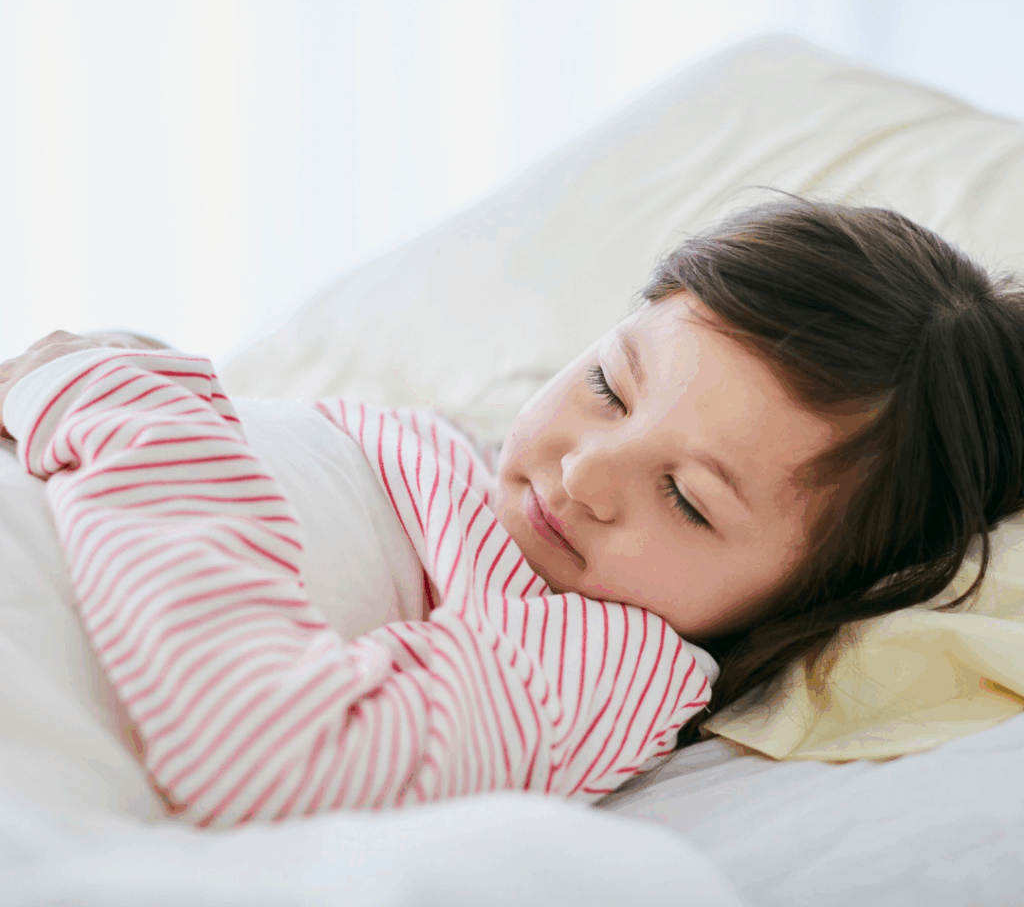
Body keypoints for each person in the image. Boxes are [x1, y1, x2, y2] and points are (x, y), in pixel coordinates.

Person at [2, 195, 1022, 826]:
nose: (584, 471)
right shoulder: (460, 460)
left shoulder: (606, 657)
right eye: (608, 387)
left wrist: (134, 418)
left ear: (814, 592)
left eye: (684, 498)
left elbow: (277, 748)